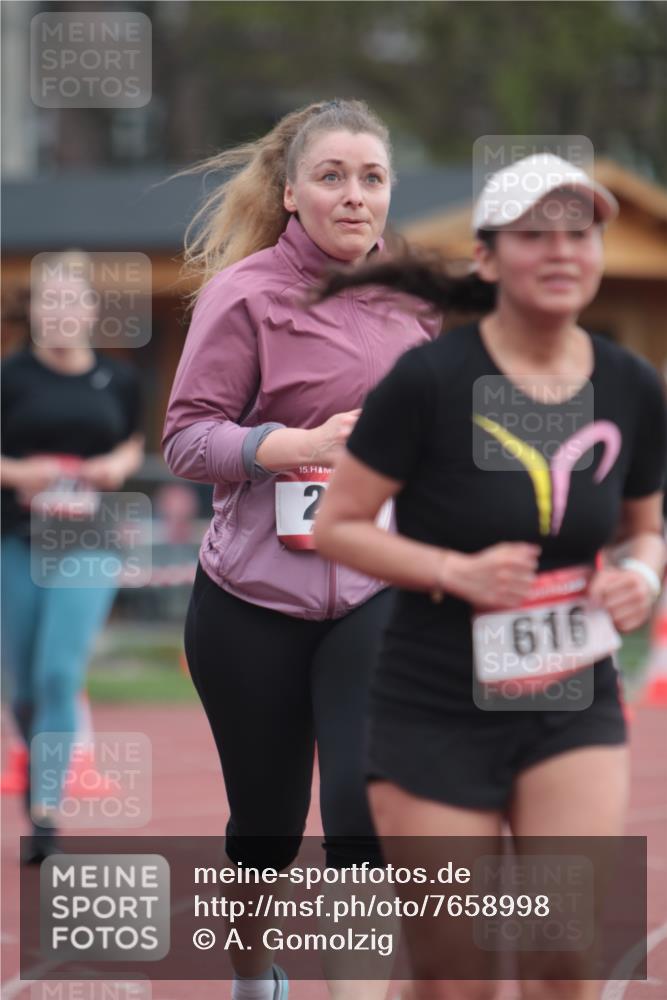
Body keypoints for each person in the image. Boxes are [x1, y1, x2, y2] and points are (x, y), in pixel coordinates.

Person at [314, 153, 667, 1000]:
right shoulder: (431, 380)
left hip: (567, 702)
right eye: (533, 234)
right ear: (486, 258)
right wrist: (453, 570)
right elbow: (338, 527)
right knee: (451, 977)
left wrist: (641, 580)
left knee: (559, 959)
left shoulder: (630, 386)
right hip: (433, 704)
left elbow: (643, 534)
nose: (559, 252)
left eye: (577, 233)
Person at [162, 99, 439, 1000]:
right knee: (267, 829)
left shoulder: (417, 295)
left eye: (371, 178)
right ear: (290, 195)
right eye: (332, 176)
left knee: (362, 811)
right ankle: (252, 973)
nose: (354, 195)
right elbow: (186, 440)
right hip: (251, 601)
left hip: (374, 591)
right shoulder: (244, 296)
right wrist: (296, 446)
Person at [1, 251, 144, 863]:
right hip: (16, 538)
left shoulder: (120, 381)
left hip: (90, 537)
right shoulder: (10, 378)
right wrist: (19, 473)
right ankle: (36, 772)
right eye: (47, 300)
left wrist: (119, 464)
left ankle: (46, 816)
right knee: (25, 683)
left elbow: (134, 441)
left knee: (61, 673)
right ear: (32, 312)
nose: (59, 311)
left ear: (91, 310)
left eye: (71, 300)